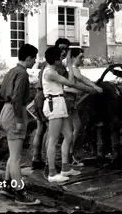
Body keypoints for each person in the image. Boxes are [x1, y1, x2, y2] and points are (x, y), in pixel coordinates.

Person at [0, 44, 41, 205]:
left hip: (5, 113)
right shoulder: (22, 74)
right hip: (15, 114)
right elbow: (17, 99)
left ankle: (7, 185)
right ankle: (20, 193)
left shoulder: (11, 71)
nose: (35, 61)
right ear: (28, 58)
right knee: (16, 158)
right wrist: (20, 121)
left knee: (12, 154)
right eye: (34, 58)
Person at [41, 47, 95, 183]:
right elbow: (70, 82)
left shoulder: (53, 71)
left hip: (59, 102)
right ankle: (52, 173)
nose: (63, 59)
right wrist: (70, 66)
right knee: (53, 140)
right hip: (54, 103)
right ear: (56, 59)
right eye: (61, 57)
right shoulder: (49, 72)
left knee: (69, 134)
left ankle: (65, 168)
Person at [31, 38, 70, 171]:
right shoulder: (59, 67)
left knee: (40, 129)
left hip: (39, 95)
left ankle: (36, 159)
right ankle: (49, 163)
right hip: (49, 98)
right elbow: (69, 82)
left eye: (65, 49)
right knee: (49, 131)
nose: (63, 52)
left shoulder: (45, 64)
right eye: (61, 49)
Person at [64, 47, 103, 167]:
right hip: (68, 99)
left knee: (77, 127)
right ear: (73, 58)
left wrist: (94, 85)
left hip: (72, 100)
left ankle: (71, 154)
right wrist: (94, 87)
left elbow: (83, 79)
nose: (83, 59)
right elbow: (81, 80)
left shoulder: (73, 68)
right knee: (71, 130)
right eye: (80, 57)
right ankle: (69, 155)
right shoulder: (72, 69)